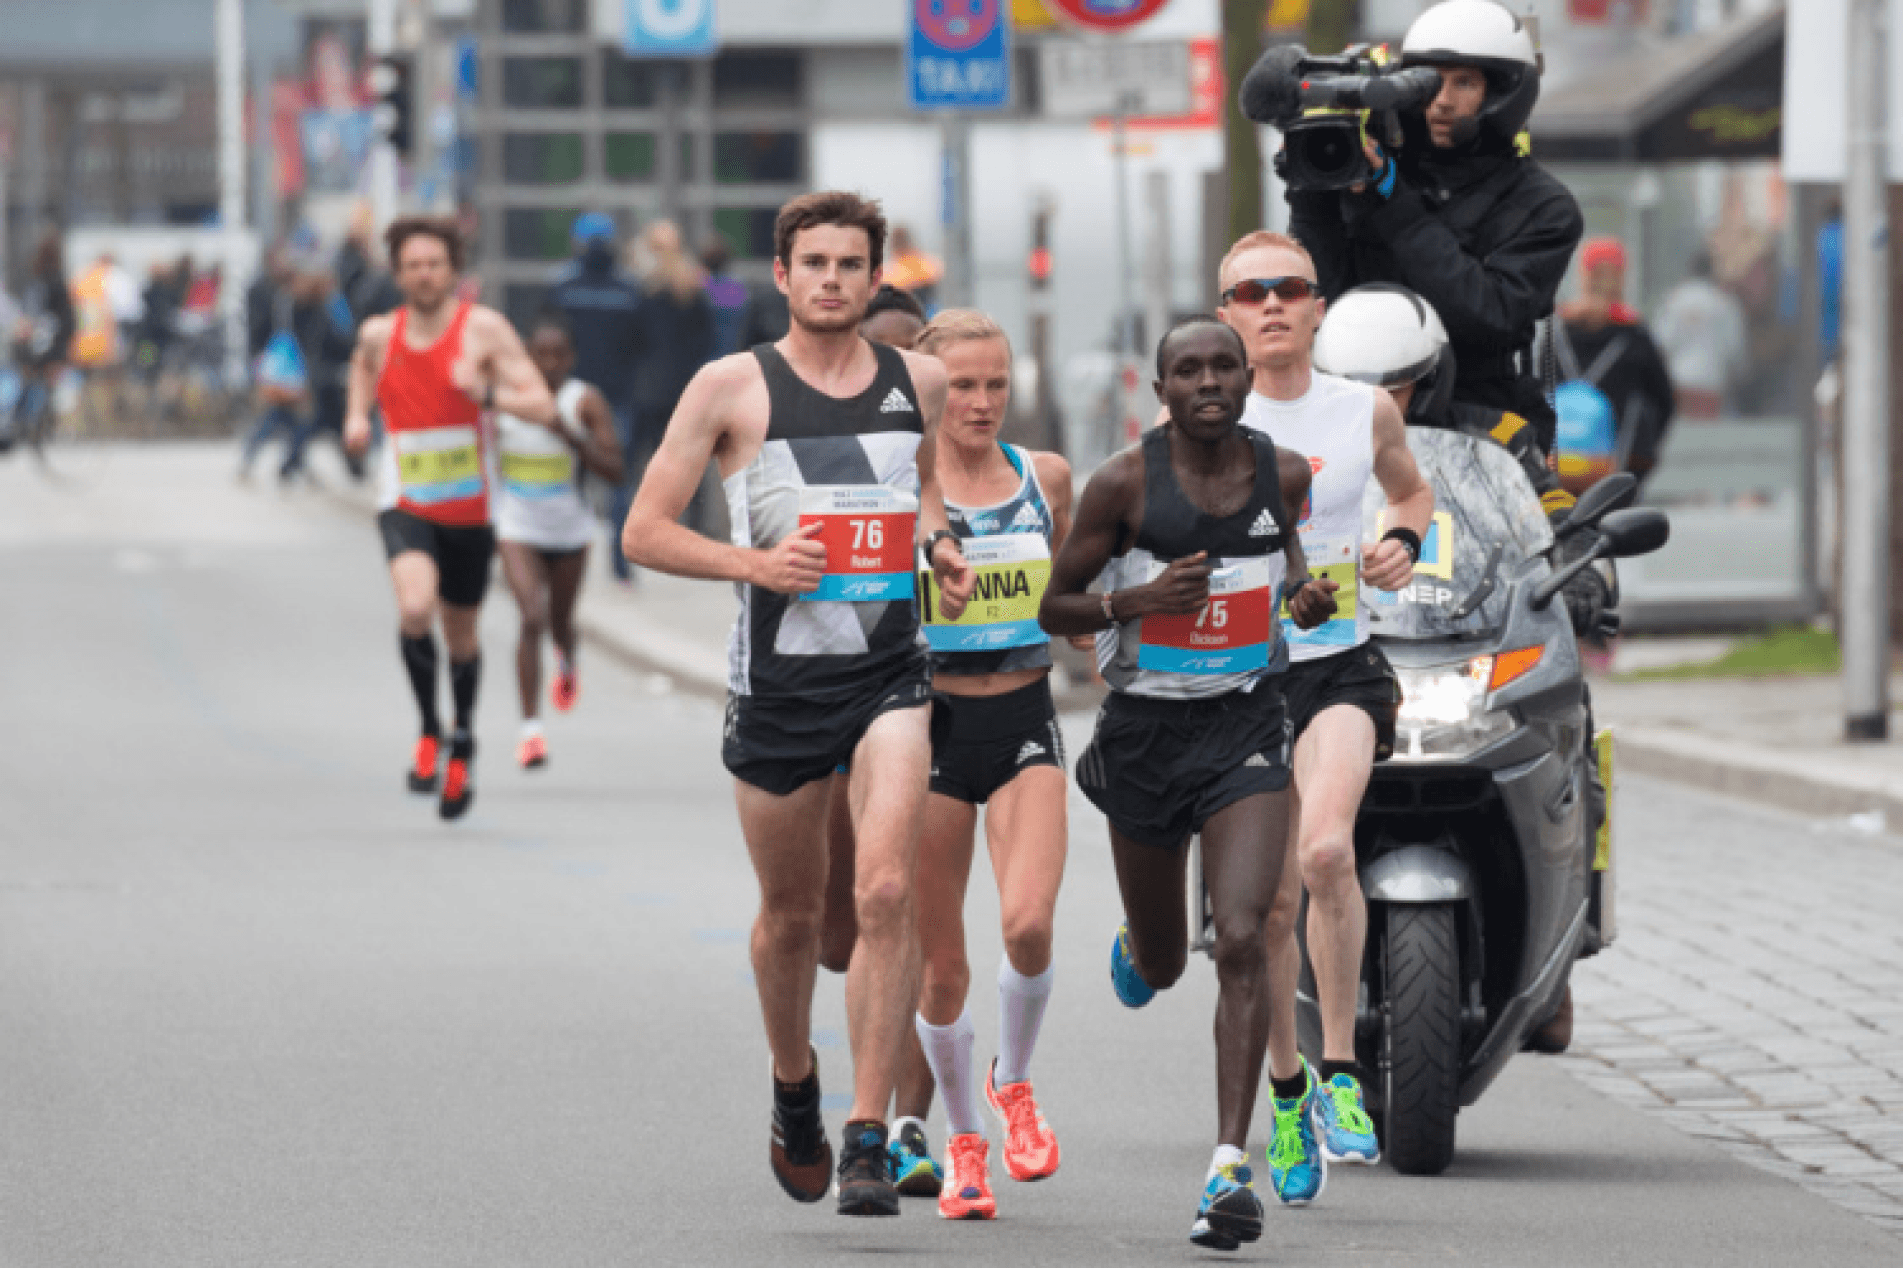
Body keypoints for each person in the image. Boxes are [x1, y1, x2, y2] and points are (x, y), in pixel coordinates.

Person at [620, 191, 974, 1218]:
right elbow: (643, 531)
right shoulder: (730, 386)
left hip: (889, 674)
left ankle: (867, 1130)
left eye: (849, 263)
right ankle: (794, 1082)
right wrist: (754, 564)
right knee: (792, 920)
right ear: (782, 275)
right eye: (813, 263)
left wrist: (940, 547)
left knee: (885, 890)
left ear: (875, 277)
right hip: (777, 686)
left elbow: (921, 488)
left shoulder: (919, 380)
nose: (831, 279)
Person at [1040, 318, 1333, 1251]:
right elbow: (1053, 605)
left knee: (1243, 935)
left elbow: (1287, 560)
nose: (1208, 382)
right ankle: (1144, 943)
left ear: (1247, 377)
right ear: (1159, 389)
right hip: (1144, 737)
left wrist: (1302, 596)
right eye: (1187, 370)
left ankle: (1226, 1167)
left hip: (1245, 722)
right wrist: (1136, 601)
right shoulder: (1123, 483)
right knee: (1170, 961)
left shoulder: (1284, 472)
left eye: (1222, 367)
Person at [1312, 282, 1607, 1055]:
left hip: (1461, 640)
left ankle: (1569, 945)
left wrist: (1581, 566)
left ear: (1433, 374)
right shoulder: (1300, 438)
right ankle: (1234, 912)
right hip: (1341, 647)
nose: (1379, 403)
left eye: (1397, 385)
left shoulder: (1496, 436)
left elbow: (1549, 513)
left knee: (1576, 733)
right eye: (1356, 387)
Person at [1206, 235, 1435, 1206]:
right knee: (1267, 909)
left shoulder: (1363, 407)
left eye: (1288, 289)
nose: (1270, 305)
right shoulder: (1202, 418)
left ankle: (1341, 1070)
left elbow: (1410, 488)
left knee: (1328, 850)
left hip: (1339, 664)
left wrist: (1400, 540)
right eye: (1249, 292)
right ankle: (1288, 1089)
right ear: (1225, 312)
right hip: (1240, 681)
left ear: (1316, 307)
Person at [907, 309, 1076, 1221]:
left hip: (1021, 717)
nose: (980, 402)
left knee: (1028, 925)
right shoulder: (904, 489)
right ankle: (963, 1141)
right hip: (927, 731)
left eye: (995, 384)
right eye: (962, 386)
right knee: (941, 972)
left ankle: (1013, 1080)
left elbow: (1076, 593)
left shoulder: (1045, 478)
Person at [1249, 0, 1584, 452]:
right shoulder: (1365, 168)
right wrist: (1313, 193)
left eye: (1464, 83)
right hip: (1355, 416)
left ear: (1503, 92)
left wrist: (1394, 203)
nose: (1442, 100)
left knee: (1548, 496)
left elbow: (1490, 317)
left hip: (1485, 429)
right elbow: (1323, 304)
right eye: (1429, 82)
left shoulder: (1543, 206)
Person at [344, 216, 557, 821]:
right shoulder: (379, 333)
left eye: (434, 264)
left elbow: (541, 403)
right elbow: (362, 368)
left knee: (461, 636)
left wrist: (485, 395)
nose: (424, 275)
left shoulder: (484, 330)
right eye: (413, 265)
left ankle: (463, 740)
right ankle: (428, 729)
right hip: (405, 499)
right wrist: (356, 418)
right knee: (416, 608)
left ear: (453, 271)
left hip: (469, 508)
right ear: (397, 273)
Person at [810, 277, 943, 1202]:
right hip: (823, 692)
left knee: (904, 904)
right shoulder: (808, 435)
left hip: (927, 696)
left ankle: (898, 1125)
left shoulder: (954, 436)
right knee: (836, 934)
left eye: (912, 352)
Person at [493, 313, 624, 769]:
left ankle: (567, 659)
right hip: (517, 527)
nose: (549, 363)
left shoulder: (582, 400)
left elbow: (616, 470)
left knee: (559, 621)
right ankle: (530, 732)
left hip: (570, 529)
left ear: (571, 358)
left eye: (558, 355)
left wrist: (569, 435)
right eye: (540, 354)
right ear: (526, 357)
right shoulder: (505, 401)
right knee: (531, 616)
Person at [547, 212, 645, 579]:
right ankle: (621, 565)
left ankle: (563, 555)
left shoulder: (564, 287)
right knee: (618, 478)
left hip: (572, 394)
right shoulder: (628, 291)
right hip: (617, 396)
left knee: (568, 474)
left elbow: (548, 338)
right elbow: (640, 344)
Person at [1554, 237, 1675, 490]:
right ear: (1622, 278)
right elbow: (1664, 402)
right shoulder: (1634, 336)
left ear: (1582, 275)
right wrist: (1641, 462)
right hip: (1615, 473)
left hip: (1555, 470)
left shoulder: (1556, 330)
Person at [630, 220, 717, 534]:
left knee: (652, 463)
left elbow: (632, 343)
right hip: (686, 389)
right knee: (690, 462)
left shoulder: (644, 292)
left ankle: (656, 527)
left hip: (651, 392)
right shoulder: (694, 289)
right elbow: (707, 340)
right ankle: (694, 529)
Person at [1653, 251, 1747, 421]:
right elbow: (1734, 348)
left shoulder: (1674, 299)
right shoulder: (1724, 301)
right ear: (1712, 271)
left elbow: (1662, 342)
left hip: (1679, 379)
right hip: (1711, 381)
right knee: (1707, 432)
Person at [6, 232, 75, 449]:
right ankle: (37, 425)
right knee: (47, 386)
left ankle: (24, 423)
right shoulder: (56, 282)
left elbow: (29, 313)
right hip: (52, 342)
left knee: (31, 383)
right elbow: (66, 318)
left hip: (36, 342)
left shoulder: (36, 281)